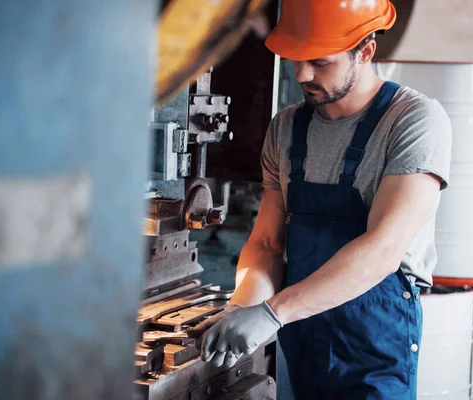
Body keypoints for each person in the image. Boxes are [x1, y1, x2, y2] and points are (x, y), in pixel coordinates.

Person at [189, 1, 453, 398]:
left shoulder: (414, 121)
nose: (302, 75)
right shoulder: (286, 128)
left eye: (320, 62)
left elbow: (383, 249)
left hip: (371, 348)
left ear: (365, 51)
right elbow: (266, 243)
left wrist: (271, 313)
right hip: (299, 337)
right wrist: (241, 310)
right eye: (295, 60)